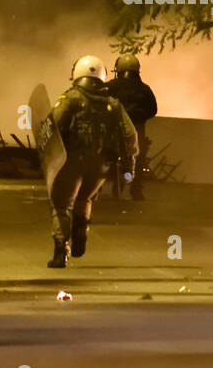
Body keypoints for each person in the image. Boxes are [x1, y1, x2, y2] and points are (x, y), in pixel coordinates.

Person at [46, 55, 139, 268]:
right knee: (85, 198)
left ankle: (61, 252)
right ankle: (81, 231)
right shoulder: (113, 104)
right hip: (101, 165)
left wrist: (47, 156)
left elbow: (53, 127)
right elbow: (130, 135)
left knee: (62, 204)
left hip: (72, 162)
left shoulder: (69, 99)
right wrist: (129, 165)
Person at [105, 53, 157, 199]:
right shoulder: (144, 89)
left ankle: (99, 188)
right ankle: (136, 189)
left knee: (102, 156)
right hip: (137, 132)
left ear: (119, 69)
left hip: (113, 131)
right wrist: (140, 117)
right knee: (138, 160)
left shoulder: (110, 87)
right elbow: (153, 110)